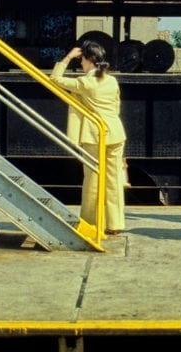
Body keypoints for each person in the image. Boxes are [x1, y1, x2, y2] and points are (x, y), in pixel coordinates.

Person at [50, 40, 127, 235]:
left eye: (82, 59)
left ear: (90, 60)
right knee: (113, 179)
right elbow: (116, 106)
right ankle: (114, 223)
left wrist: (68, 57)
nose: (80, 63)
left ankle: (91, 223)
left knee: (93, 179)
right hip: (116, 133)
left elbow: (55, 79)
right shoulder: (112, 81)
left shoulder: (86, 83)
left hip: (95, 135)